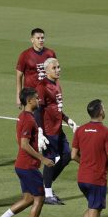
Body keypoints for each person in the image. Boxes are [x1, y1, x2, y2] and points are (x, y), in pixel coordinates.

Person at [0, 88, 55, 217]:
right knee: (39, 198)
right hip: (28, 166)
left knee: (28, 199)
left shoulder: (23, 117)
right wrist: (43, 158)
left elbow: (19, 140)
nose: (39, 100)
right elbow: (24, 144)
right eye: (36, 98)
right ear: (29, 101)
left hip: (22, 164)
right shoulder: (28, 119)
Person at [35, 58, 78, 205]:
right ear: (46, 71)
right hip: (48, 130)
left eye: (59, 67)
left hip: (58, 128)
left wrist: (67, 120)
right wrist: (40, 130)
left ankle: (46, 184)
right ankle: (47, 194)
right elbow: (38, 110)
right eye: (54, 68)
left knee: (67, 155)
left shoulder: (57, 84)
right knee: (50, 161)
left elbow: (56, 107)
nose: (58, 70)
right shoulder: (42, 86)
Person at [15, 28, 57, 107]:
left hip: (47, 94)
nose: (41, 40)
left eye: (42, 38)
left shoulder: (50, 54)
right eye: (38, 38)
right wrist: (18, 96)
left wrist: (56, 91)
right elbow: (19, 76)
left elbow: (55, 74)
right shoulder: (25, 55)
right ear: (32, 40)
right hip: (31, 96)